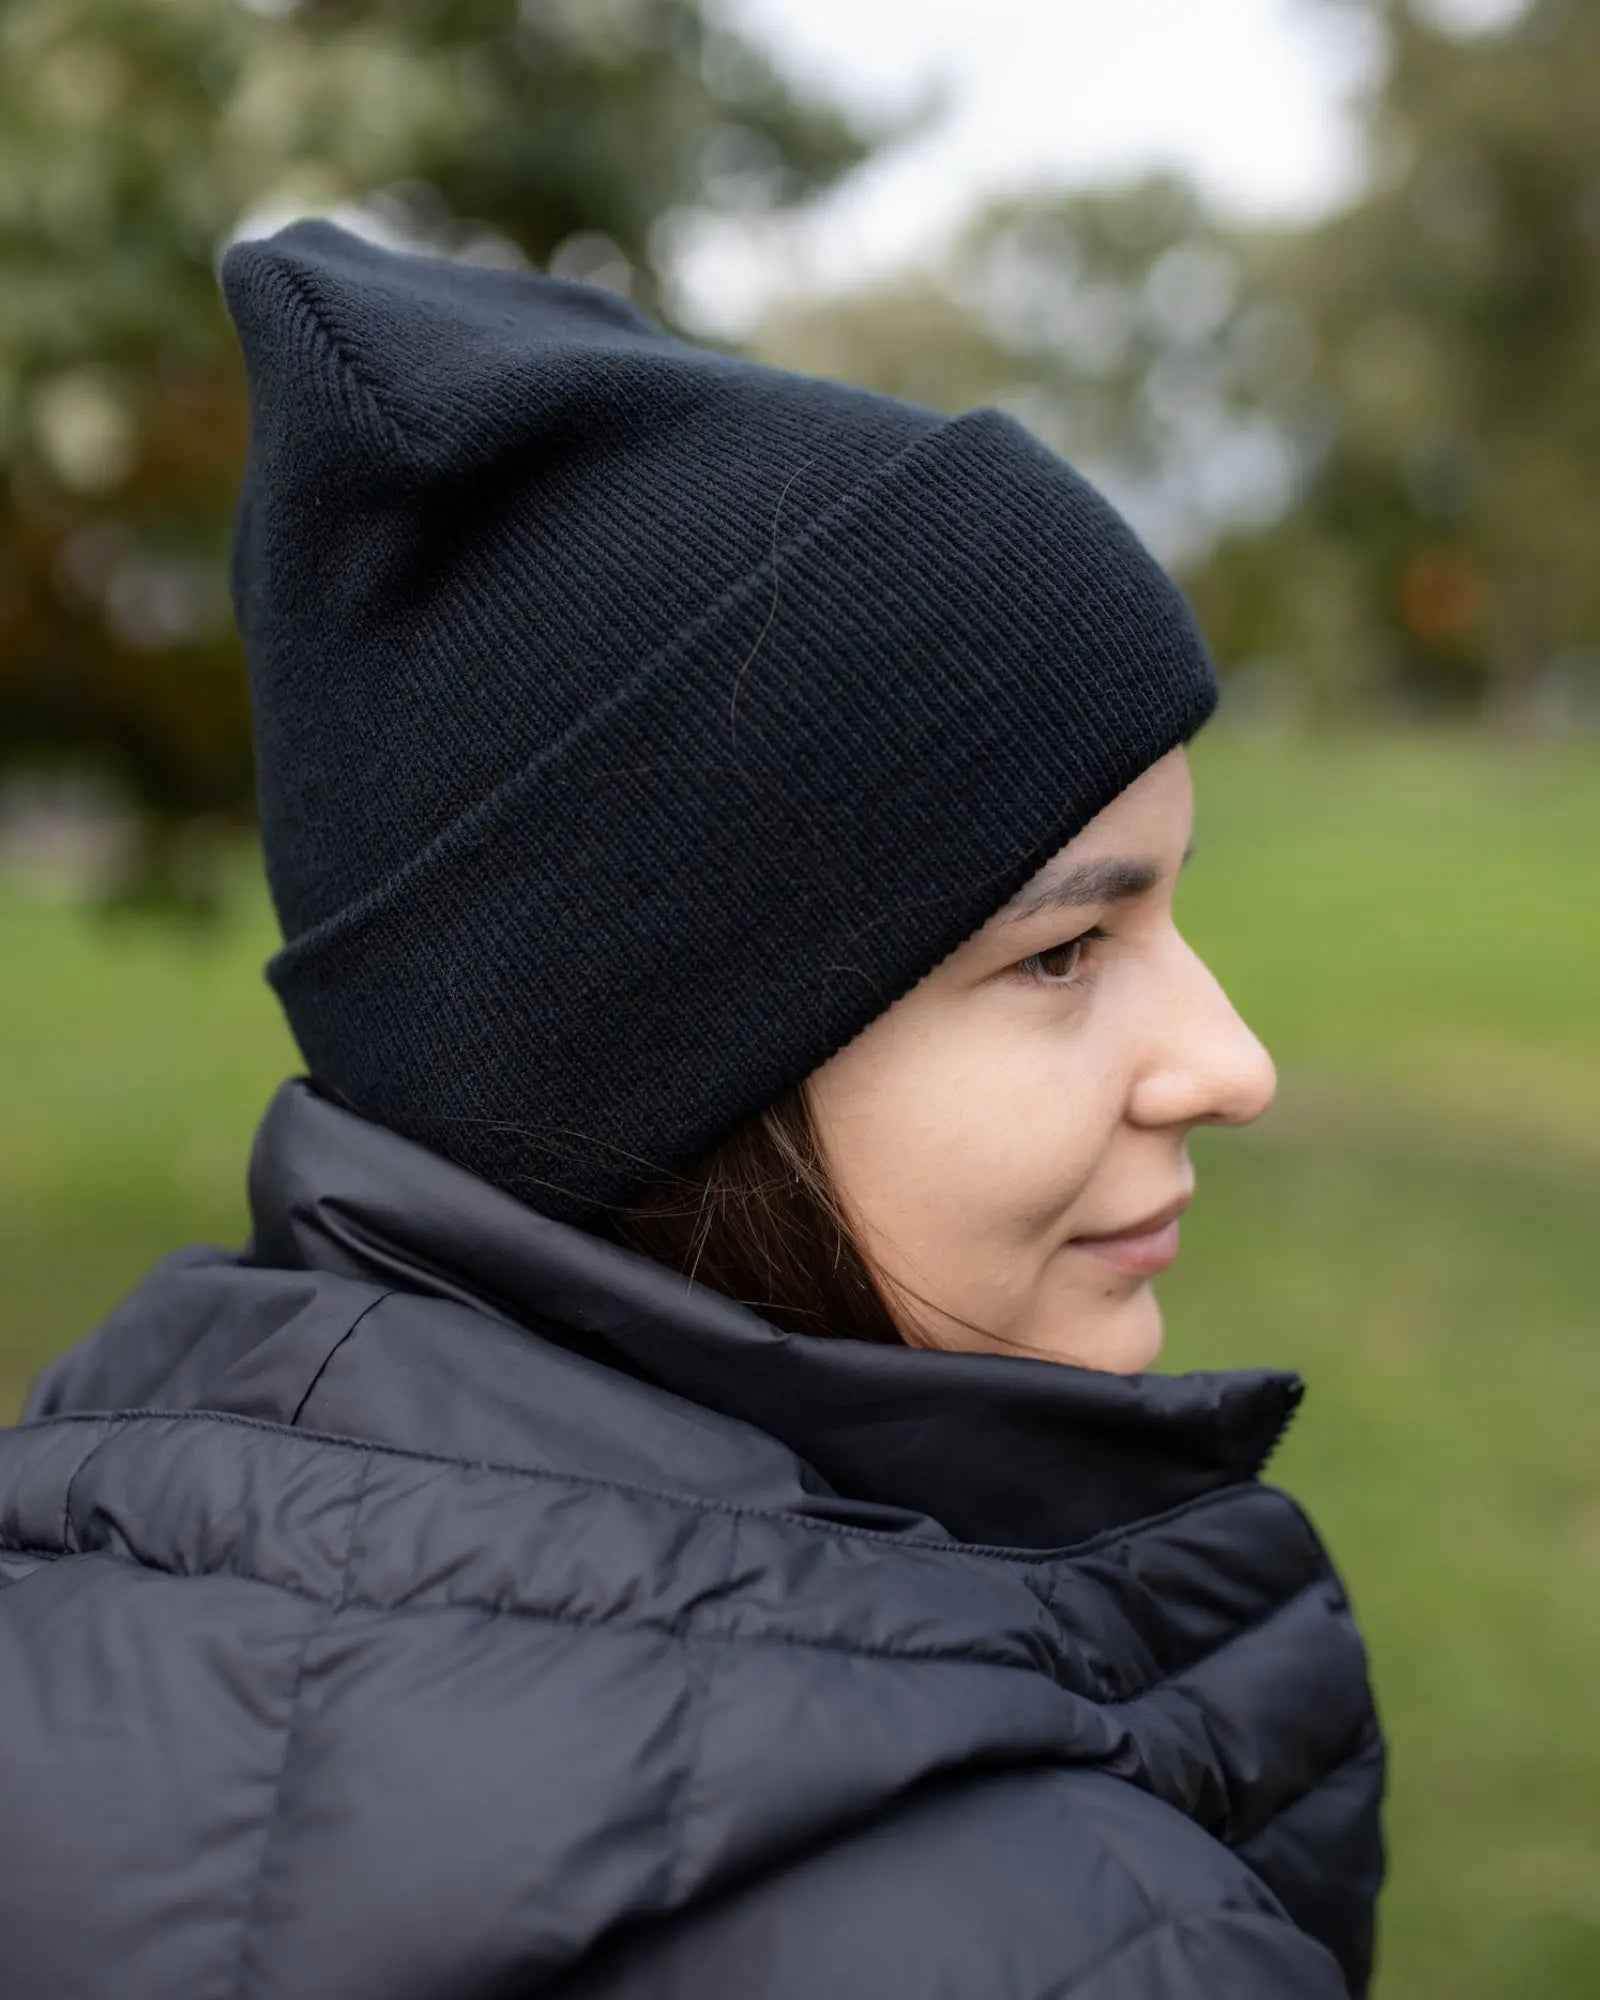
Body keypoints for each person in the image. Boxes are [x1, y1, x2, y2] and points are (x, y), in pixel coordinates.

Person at [0, 220, 1385, 1998]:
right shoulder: (1080, 1942)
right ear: (655, 1049)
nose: (1233, 1064)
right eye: (1062, 952)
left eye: (1170, 913)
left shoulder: (82, 1604)